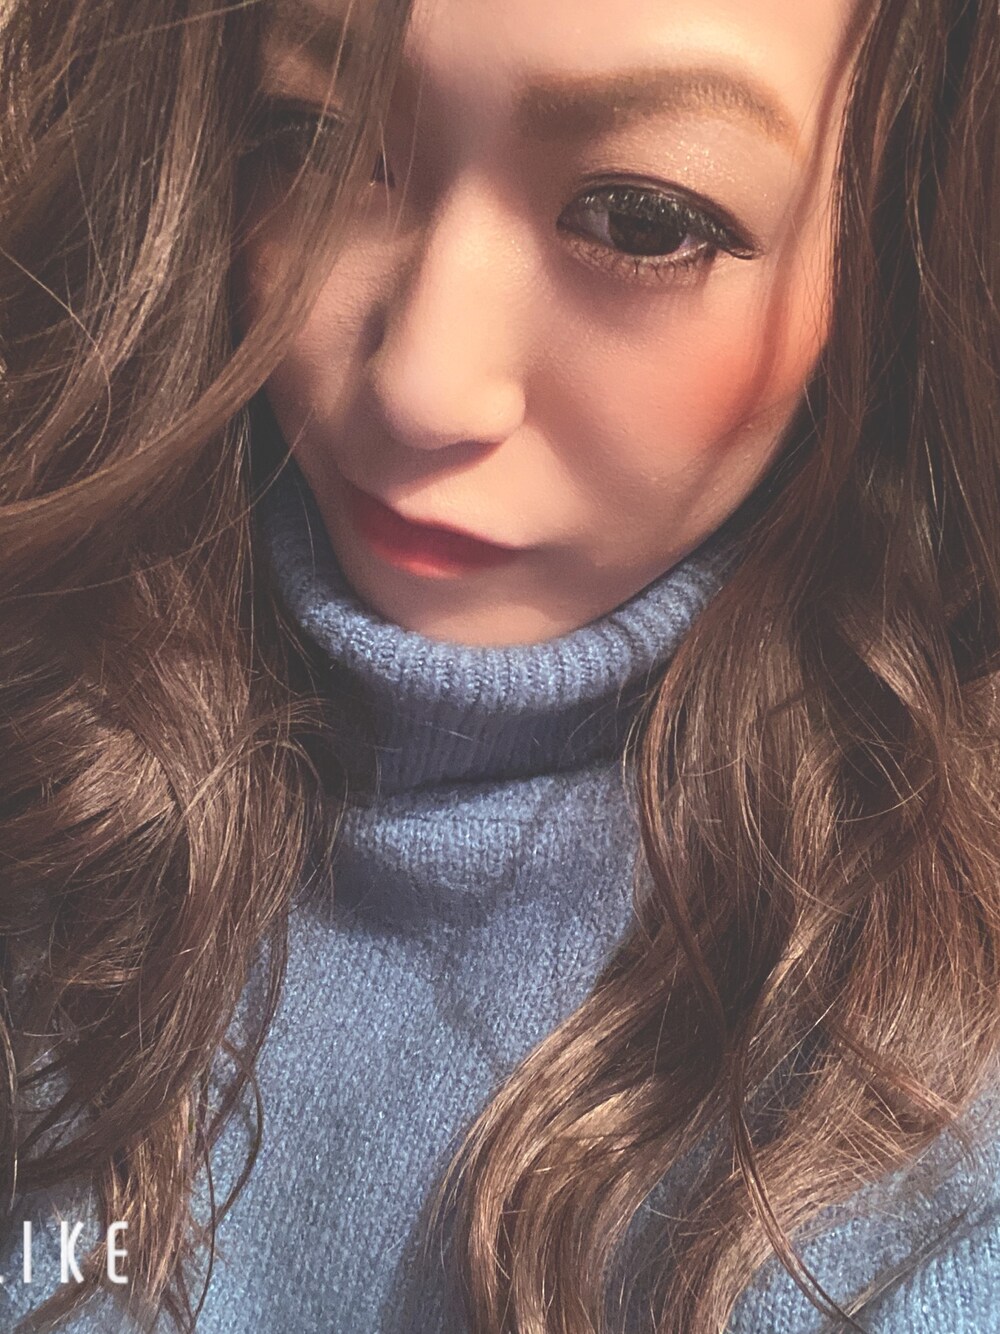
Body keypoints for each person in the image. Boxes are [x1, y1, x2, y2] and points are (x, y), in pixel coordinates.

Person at [0, 0, 998, 1329]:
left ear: (893, 237)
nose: (421, 385)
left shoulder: (929, 1134)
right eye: (312, 139)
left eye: (643, 221)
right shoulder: (51, 684)